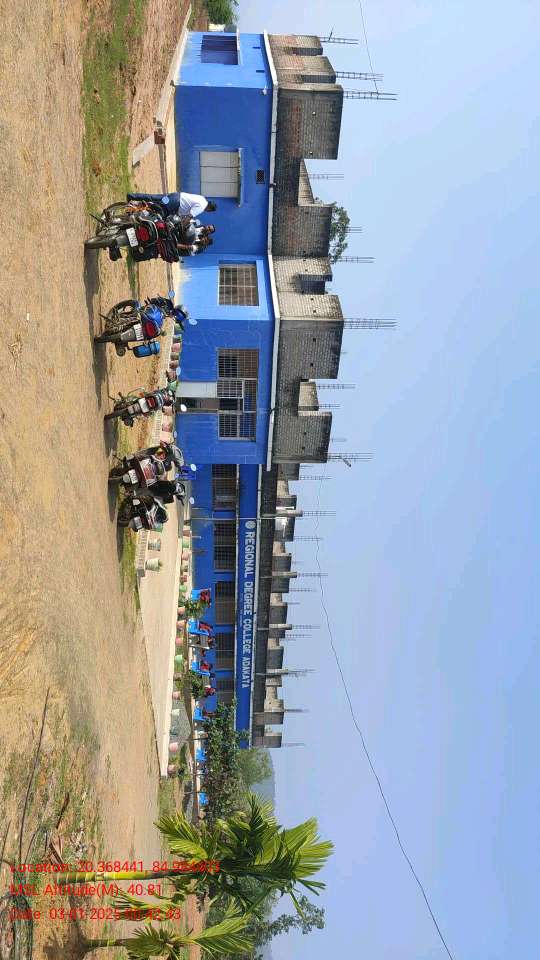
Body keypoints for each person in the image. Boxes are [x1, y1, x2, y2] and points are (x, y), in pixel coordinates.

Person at [127, 191, 217, 218]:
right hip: (174, 204)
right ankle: (132, 214)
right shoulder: (202, 207)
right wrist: (183, 224)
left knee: (154, 198)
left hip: (174, 196)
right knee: (160, 215)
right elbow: (190, 216)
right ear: (209, 209)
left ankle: (132, 196)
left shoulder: (202, 198)